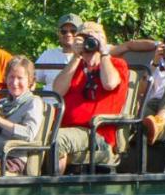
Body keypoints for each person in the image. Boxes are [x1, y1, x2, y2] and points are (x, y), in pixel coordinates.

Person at [52, 21, 128, 173]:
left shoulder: (117, 64)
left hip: (97, 133)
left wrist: (104, 52)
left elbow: (110, 83)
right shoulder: (75, 67)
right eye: (83, 39)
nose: (88, 44)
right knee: (37, 133)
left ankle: (54, 187)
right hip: (68, 129)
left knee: (57, 139)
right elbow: (57, 91)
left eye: (91, 39)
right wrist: (76, 57)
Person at [34, 13, 83, 90]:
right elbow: (31, 78)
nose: (68, 34)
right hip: (49, 101)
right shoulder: (48, 55)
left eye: (73, 31)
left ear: (81, 33)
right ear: (58, 33)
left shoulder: (87, 56)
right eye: (64, 31)